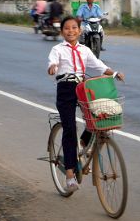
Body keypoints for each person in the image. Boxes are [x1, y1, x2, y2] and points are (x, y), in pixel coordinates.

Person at [47, 16, 124, 192]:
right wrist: (52, 67)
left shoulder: (84, 50)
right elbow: (53, 62)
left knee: (98, 116)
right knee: (69, 129)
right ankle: (69, 175)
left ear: (80, 31)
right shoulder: (57, 49)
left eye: (74, 28)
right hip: (65, 89)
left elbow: (98, 65)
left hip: (82, 87)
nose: (71, 31)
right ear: (62, 32)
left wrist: (114, 73)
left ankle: (84, 144)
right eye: (67, 28)